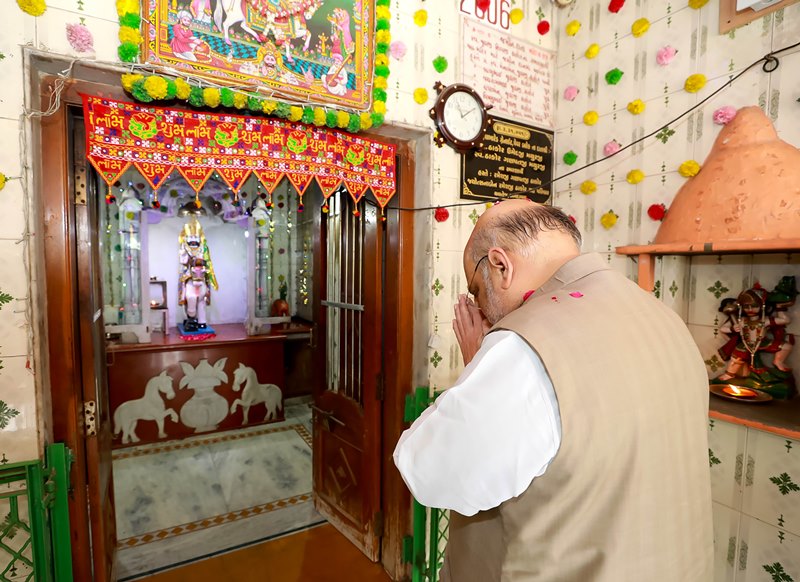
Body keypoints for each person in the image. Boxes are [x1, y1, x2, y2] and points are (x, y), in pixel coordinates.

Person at [393, 200, 713, 581]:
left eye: (478, 291)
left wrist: (478, 368)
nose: (484, 310)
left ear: (501, 265)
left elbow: (431, 472)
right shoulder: (664, 317)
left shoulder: (522, 348)